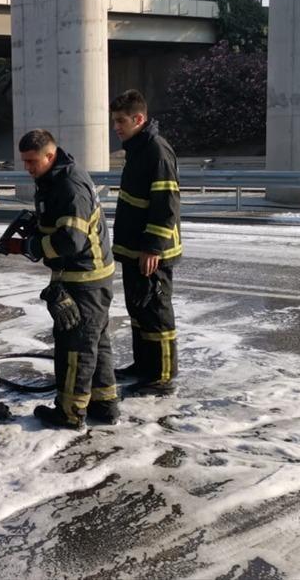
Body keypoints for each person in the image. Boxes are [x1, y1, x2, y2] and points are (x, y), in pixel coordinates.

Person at [2, 129, 118, 429]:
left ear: (50, 156)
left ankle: (70, 413)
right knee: (95, 341)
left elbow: (71, 241)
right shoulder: (54, 178)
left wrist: (29, 246)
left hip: (85, 279)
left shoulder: (69, 186)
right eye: (24, 161)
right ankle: (104, 404)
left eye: (32, 161)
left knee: (75, 347)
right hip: (89, 276)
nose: (27, 168)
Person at [110, 90, 182, 397]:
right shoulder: (138, 148)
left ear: (139, 118)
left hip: (152, 253)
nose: (116, 127)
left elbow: (166, 204)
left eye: (121, 121)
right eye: (114, 121)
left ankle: (162, 376)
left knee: (156, 313)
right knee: (139, 310)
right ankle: (144, 366)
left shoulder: (156, 150)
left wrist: (153, 247)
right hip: (134, 249)